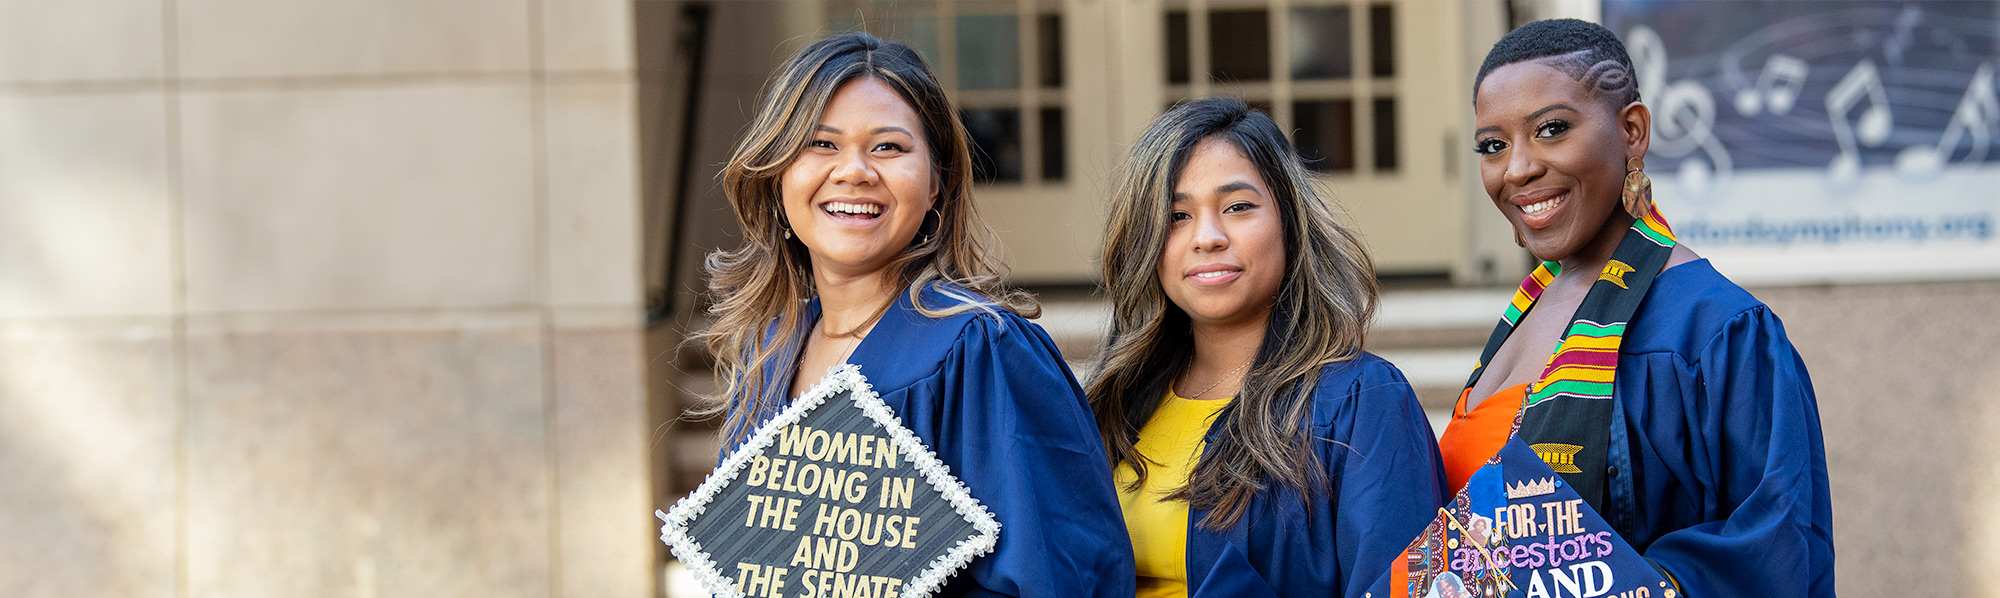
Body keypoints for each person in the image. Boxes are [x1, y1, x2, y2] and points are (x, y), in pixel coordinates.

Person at [696, 32, 1134, 597]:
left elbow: (1064, 579)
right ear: (777, 176)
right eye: (821, 145)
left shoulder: (981, 351)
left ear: (936, 185)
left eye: (888, 148)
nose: (853, 171)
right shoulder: (771, 351)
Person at [1442, 18, 1834, 595]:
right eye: (1493, 146)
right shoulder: (1529, 309)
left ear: (1632, 131)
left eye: (1551, 129)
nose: (1517, 168)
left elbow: (1777, 550)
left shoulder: (1715, 332)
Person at [1089, 97, 1446, 598]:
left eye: (1237, 207)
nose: (1207, 237)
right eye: (1176, 215)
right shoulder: (1116, 404)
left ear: (1289, 221)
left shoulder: (1359, 401)